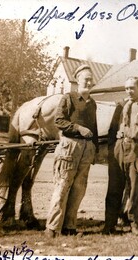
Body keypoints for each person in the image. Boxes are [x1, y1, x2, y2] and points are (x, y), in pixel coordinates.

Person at [45, 64, 98, 238]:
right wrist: (78, 128)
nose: (89, 82)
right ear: (77, 80)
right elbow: (59, 121)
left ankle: (69, 227)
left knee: (79, 188)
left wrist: (94, 148)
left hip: (86, 149)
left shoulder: (92, 103)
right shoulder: (69, 98)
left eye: (91, 79)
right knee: (62, 185)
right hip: (69, 147)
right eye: (86, 79)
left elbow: (94, 128)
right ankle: (52, 228)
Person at [103, 76, 138, 235]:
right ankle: (109, 224)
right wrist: (111, 148)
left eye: (132, 88)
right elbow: (113, 128)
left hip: (137, 149)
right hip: (119, 147)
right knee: (114, 186)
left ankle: (134, 222)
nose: (128, 91)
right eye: (126, 88)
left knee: (135, 188)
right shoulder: (121, 105)